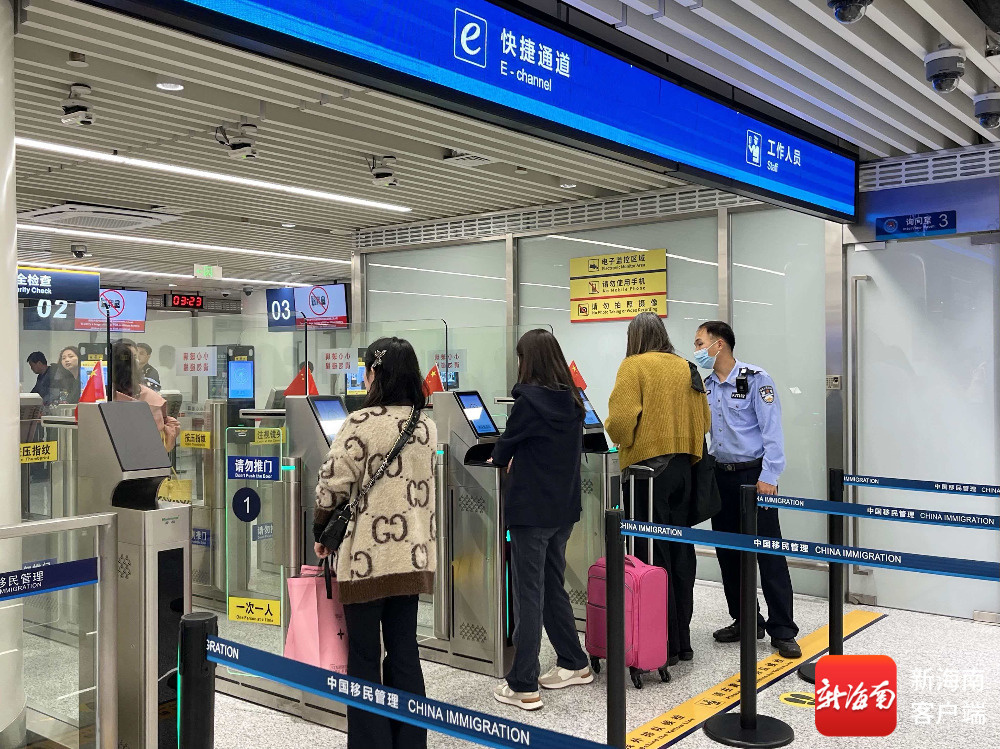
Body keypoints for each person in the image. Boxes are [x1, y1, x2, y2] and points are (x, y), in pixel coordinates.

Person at [314, 337, 436, 749]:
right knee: (404, 650)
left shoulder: (360, 423)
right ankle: (410, 741)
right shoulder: (425, 426)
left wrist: (321, 531)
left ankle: (371, 743)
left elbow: (331, 486)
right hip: (412, 557)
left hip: (366, 559)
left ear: (375, 373)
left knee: (364, 656)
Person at [490, 329, 592, 712]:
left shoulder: (527, 402)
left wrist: (502, 457)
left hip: (531, 513)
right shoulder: (573, 401)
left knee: (528, 594)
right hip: (563, 511)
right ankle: (574, 661)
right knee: (552, 586)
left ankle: (523, 684)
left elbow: (503, 449)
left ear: (527, 360)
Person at [606, 312, 711, 665]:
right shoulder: (686, 367)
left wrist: (625, 438)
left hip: (647, 473)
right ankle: (682, 642)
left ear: (634, 337)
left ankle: (659, 643)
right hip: (684, 470)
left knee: (650, 554)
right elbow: (705, 420)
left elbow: (621, 422)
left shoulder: (634, 366)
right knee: (680, 552)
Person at [694, 321, 801, 659]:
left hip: (754, 476)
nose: (697, 350)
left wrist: (770, 475)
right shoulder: (705, 385)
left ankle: (783, 629)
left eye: (700, 343)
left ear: (719, 345)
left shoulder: (756, 379)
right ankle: (746, 620)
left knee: (768, 553)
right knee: (729, 554)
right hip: (720, 476)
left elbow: (772, 432)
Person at [110, 341, 179, 451]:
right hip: (145, 456)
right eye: (134, 357)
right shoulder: (151, 398)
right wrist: (171, 424)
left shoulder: (102, 396)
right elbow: (162, 438)